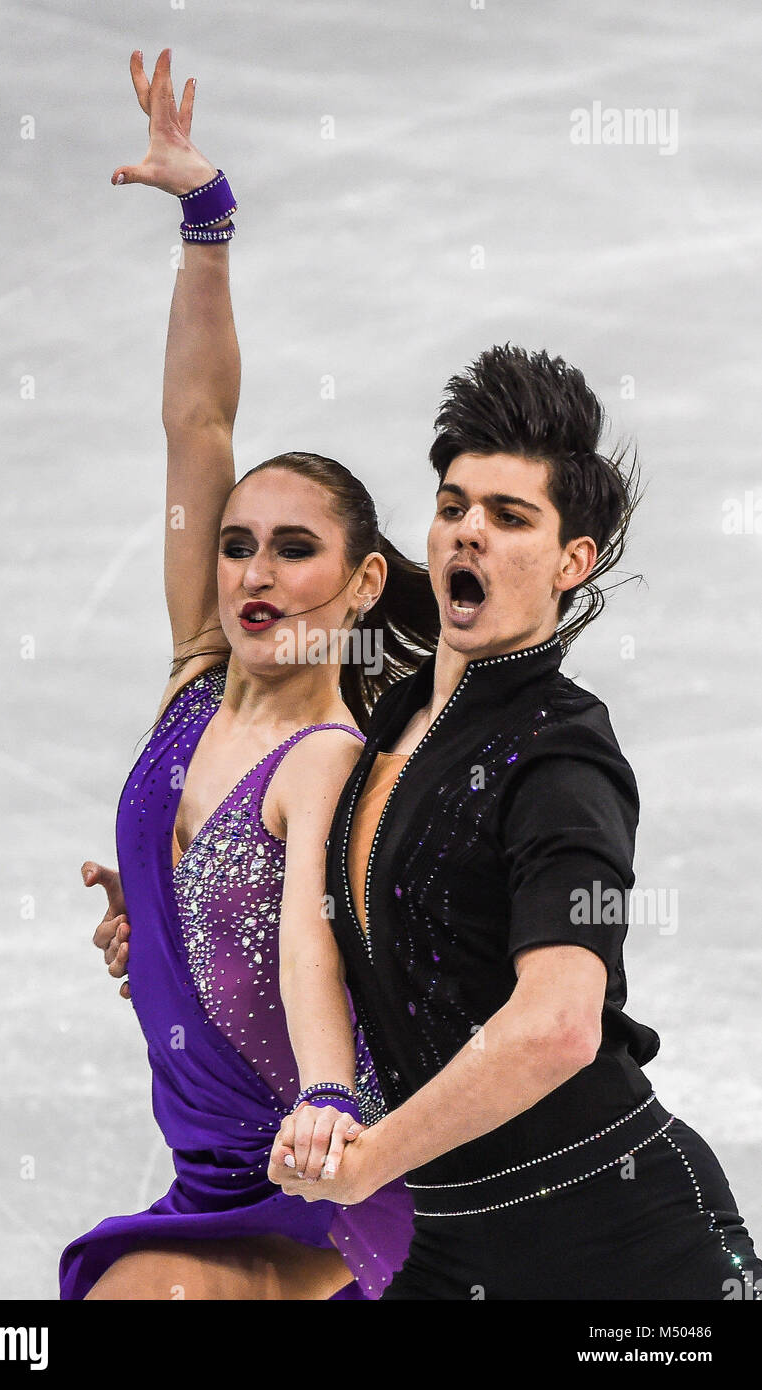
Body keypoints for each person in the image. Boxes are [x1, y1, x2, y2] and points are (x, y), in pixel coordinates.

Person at [59, 49, 438, 1301]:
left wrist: (330, 1092)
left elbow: (310, 945)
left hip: (311, 1170)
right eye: (233, 544)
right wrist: (205, 223)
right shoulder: (193, 680)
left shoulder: (325, 753)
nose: (252, 572)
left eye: (293, 548)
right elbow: (199, 429)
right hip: (210, 1165)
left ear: (364, 580)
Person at [270, 345, 762, 1301]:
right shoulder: (389, 725)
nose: (467, 534)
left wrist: (371, 1161)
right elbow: (323, 931)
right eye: (453, 507)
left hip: (629, 1250)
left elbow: (558, 1027)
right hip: (462, 1246)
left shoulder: (560, 755)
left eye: (508, 516)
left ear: (571, 560)